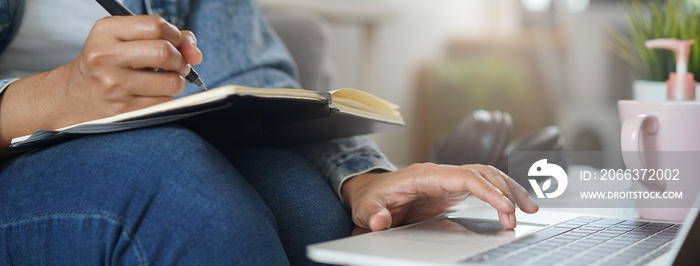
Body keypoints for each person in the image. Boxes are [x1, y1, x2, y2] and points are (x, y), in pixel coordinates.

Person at [0, 0, 539, 265]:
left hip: (159, 142)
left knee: (303, 199)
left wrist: (362, 178)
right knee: (177, 186)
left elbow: (253, 81)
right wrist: (53, 96)